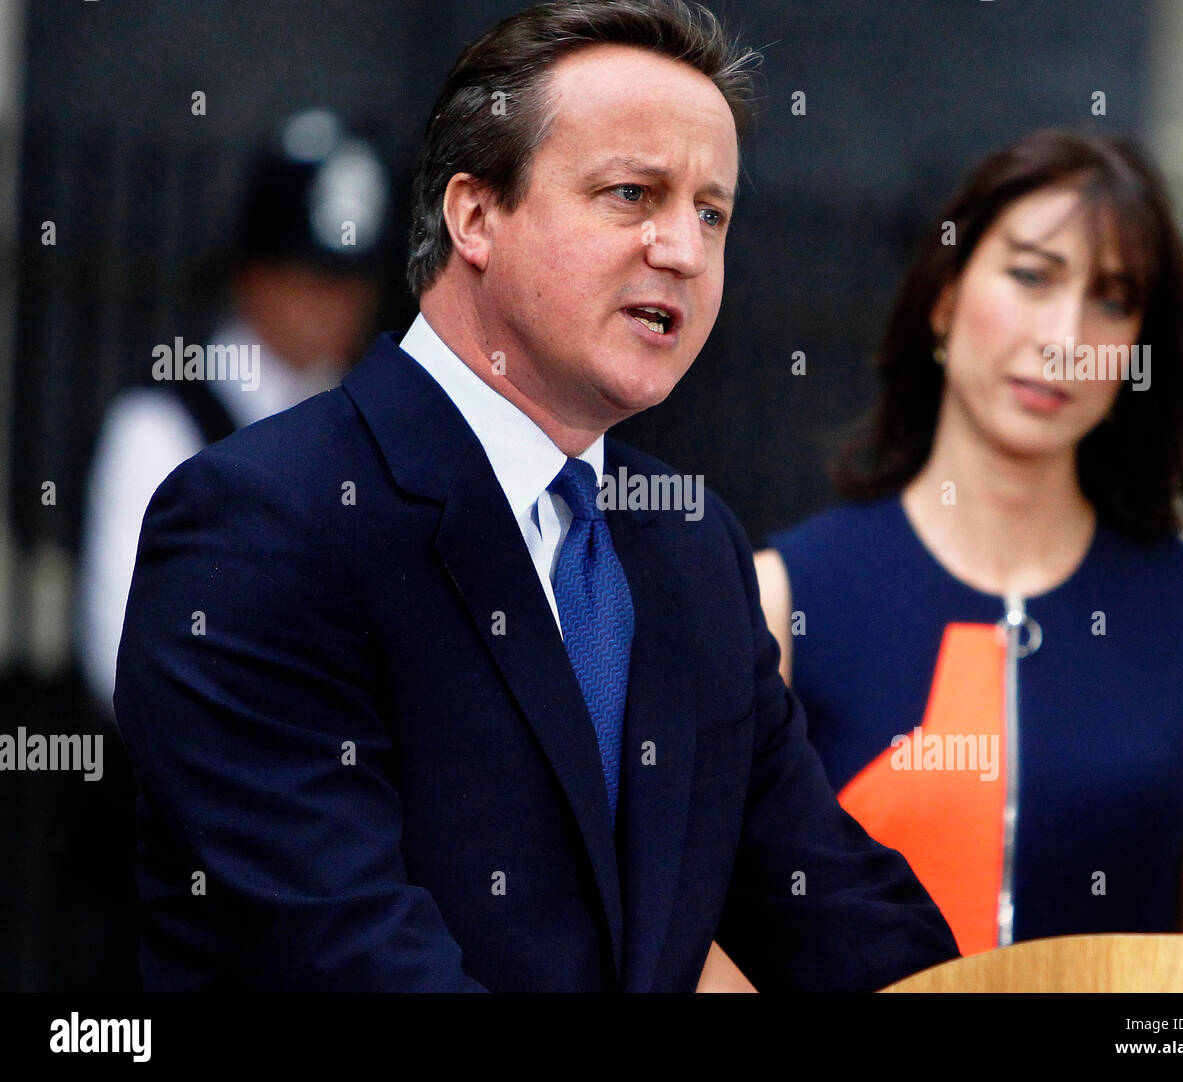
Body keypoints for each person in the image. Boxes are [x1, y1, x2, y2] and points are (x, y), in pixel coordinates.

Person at [113, 0, 958, 992]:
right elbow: (342, 950)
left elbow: (826, 901)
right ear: (474, 215)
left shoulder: (690, 545)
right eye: (631, 194)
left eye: (712, 211)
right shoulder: (258, 521)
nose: (683, 248)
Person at [756, 130, 1183, 956]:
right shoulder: (782, 600)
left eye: (1112, 299)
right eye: (1031, 275)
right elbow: (706, 940)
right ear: (945, 298)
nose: (1065, 335)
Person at [77, 108, 386, 719]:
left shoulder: (372, 419)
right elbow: (120, 652)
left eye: (351, 281)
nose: (336, 306)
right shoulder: (160, 423)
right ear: (252, 277)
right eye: (311, 278)